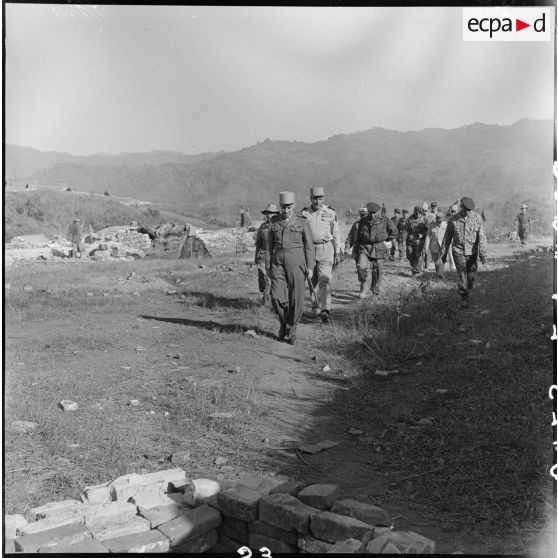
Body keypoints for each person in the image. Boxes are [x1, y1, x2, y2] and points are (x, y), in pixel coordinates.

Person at [266, 191, 315, 345]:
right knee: (275, 295)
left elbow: (309, 246)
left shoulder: (302, 221)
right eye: (283, 207)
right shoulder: (274, 222)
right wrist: (268, 266)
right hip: (278, 261)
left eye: (288, 207)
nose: (285, 210)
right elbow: (268, 247)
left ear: (293, 206)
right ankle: (284, 321)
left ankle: (291, 331)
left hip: (297, 261)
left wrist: (311, 266)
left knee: (296, 298)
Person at [301, 186, 341, 324]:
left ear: (323, 198)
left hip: (326, 248)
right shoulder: (304, 214)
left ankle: (325, 309)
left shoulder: (330, 213)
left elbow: (335, 233)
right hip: (309, 249)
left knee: (325, 280)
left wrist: (337, 251)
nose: (317, 201)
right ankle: (315, 305)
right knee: (311, 280)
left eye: (320, 198)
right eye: (314, 198)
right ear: (310, 199)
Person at [442, 197, 487, 309]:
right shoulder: (453, 219)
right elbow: (447, 237)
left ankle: (468, 289)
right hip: (458, 251)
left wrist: (483, 254)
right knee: (461, 274)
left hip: (472, 252)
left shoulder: (477, 218)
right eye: (465, 209)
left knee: (471, 276)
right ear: (461, 207)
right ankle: (464, 299)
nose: (467, 212)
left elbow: (482, 237)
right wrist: (443, 254)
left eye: (469, 210)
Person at [355, 202, 397, 299]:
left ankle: (375, 291)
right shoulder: (363, 222)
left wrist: (386, 239)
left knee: (378, 269)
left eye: (375, 213)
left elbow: (394, 232)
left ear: (378, 211)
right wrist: (356, 251)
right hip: (365, 248)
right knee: (361, 266)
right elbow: (358, 238)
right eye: (371, 213)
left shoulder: (385, 220)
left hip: (380, 248)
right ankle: (364, 287)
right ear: (368, 212)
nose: (373, 215)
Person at [254, 203, 279, 305]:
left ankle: (274, 302)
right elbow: (258, 243)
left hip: (276, 256)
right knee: (264, 279)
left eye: (271, 213)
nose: (269, 215)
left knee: (274, 280)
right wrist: (256, 256)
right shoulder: (262, 227)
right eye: (267, 213)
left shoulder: (279, 225)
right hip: (264, 256)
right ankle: (266, 301)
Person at [405, 206, 428, 275]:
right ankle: (414, 266)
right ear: (414, 212)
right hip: (410, 240)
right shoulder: (409, 219)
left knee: (418, 255)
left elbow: (428, 229)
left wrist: (423, 234)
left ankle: (416, 270)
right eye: (416, 213)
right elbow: (406, 229)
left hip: (419, 240)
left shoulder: (425, 219)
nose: (417, 214)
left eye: (419, 213)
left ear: (421, 213)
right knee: (409, 255)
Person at [424, 211, 447, 278]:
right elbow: (428, 236)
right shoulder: (432, 226)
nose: (439, 222)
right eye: (438, 221)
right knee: (436, 261)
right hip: (434, 246)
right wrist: (426, 245)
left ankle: (440, 273)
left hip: (443, 246)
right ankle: (438, 271)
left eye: (441, 221)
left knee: (442, 260)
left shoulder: (446, 225)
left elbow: (449, 236)